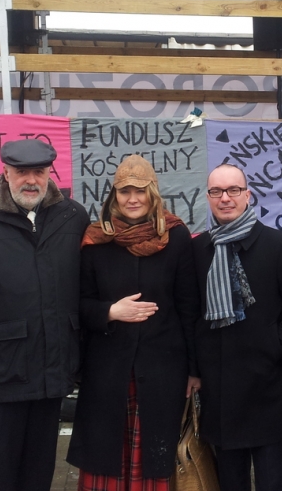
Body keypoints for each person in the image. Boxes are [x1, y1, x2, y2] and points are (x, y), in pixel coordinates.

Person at [0, 138, 89, 491]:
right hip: (0, 375)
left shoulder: (73, 217)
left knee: (38, 474)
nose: (31, 180)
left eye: (38, 172)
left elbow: (86, 290)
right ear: (5, 172)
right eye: (21, 172)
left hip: (52, 373)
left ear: (49, 173)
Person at [67, 154, 200, 490]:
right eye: (125, 191)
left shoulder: (176, 237)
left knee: (153, 462)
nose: (133, 199)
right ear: (114, 195)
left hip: (163, 369)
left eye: (140, 191)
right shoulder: (95, 240)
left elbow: (189, 308)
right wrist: (110, 312)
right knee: (106, 457)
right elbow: (76, 304)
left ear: (152, 192)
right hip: (107, 370)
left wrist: (194, 370)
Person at [192, 163, 282, 491]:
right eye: (216, 191)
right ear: (208, 197)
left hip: (267, 386)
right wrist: (195, 368)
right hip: (219, 389)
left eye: (233, 190)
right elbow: (190, 313)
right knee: (230, 482)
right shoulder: (199, 250)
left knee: (274, 482)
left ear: (247, 195)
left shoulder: (278, 245)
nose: (225, 198)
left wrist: (281, 345)